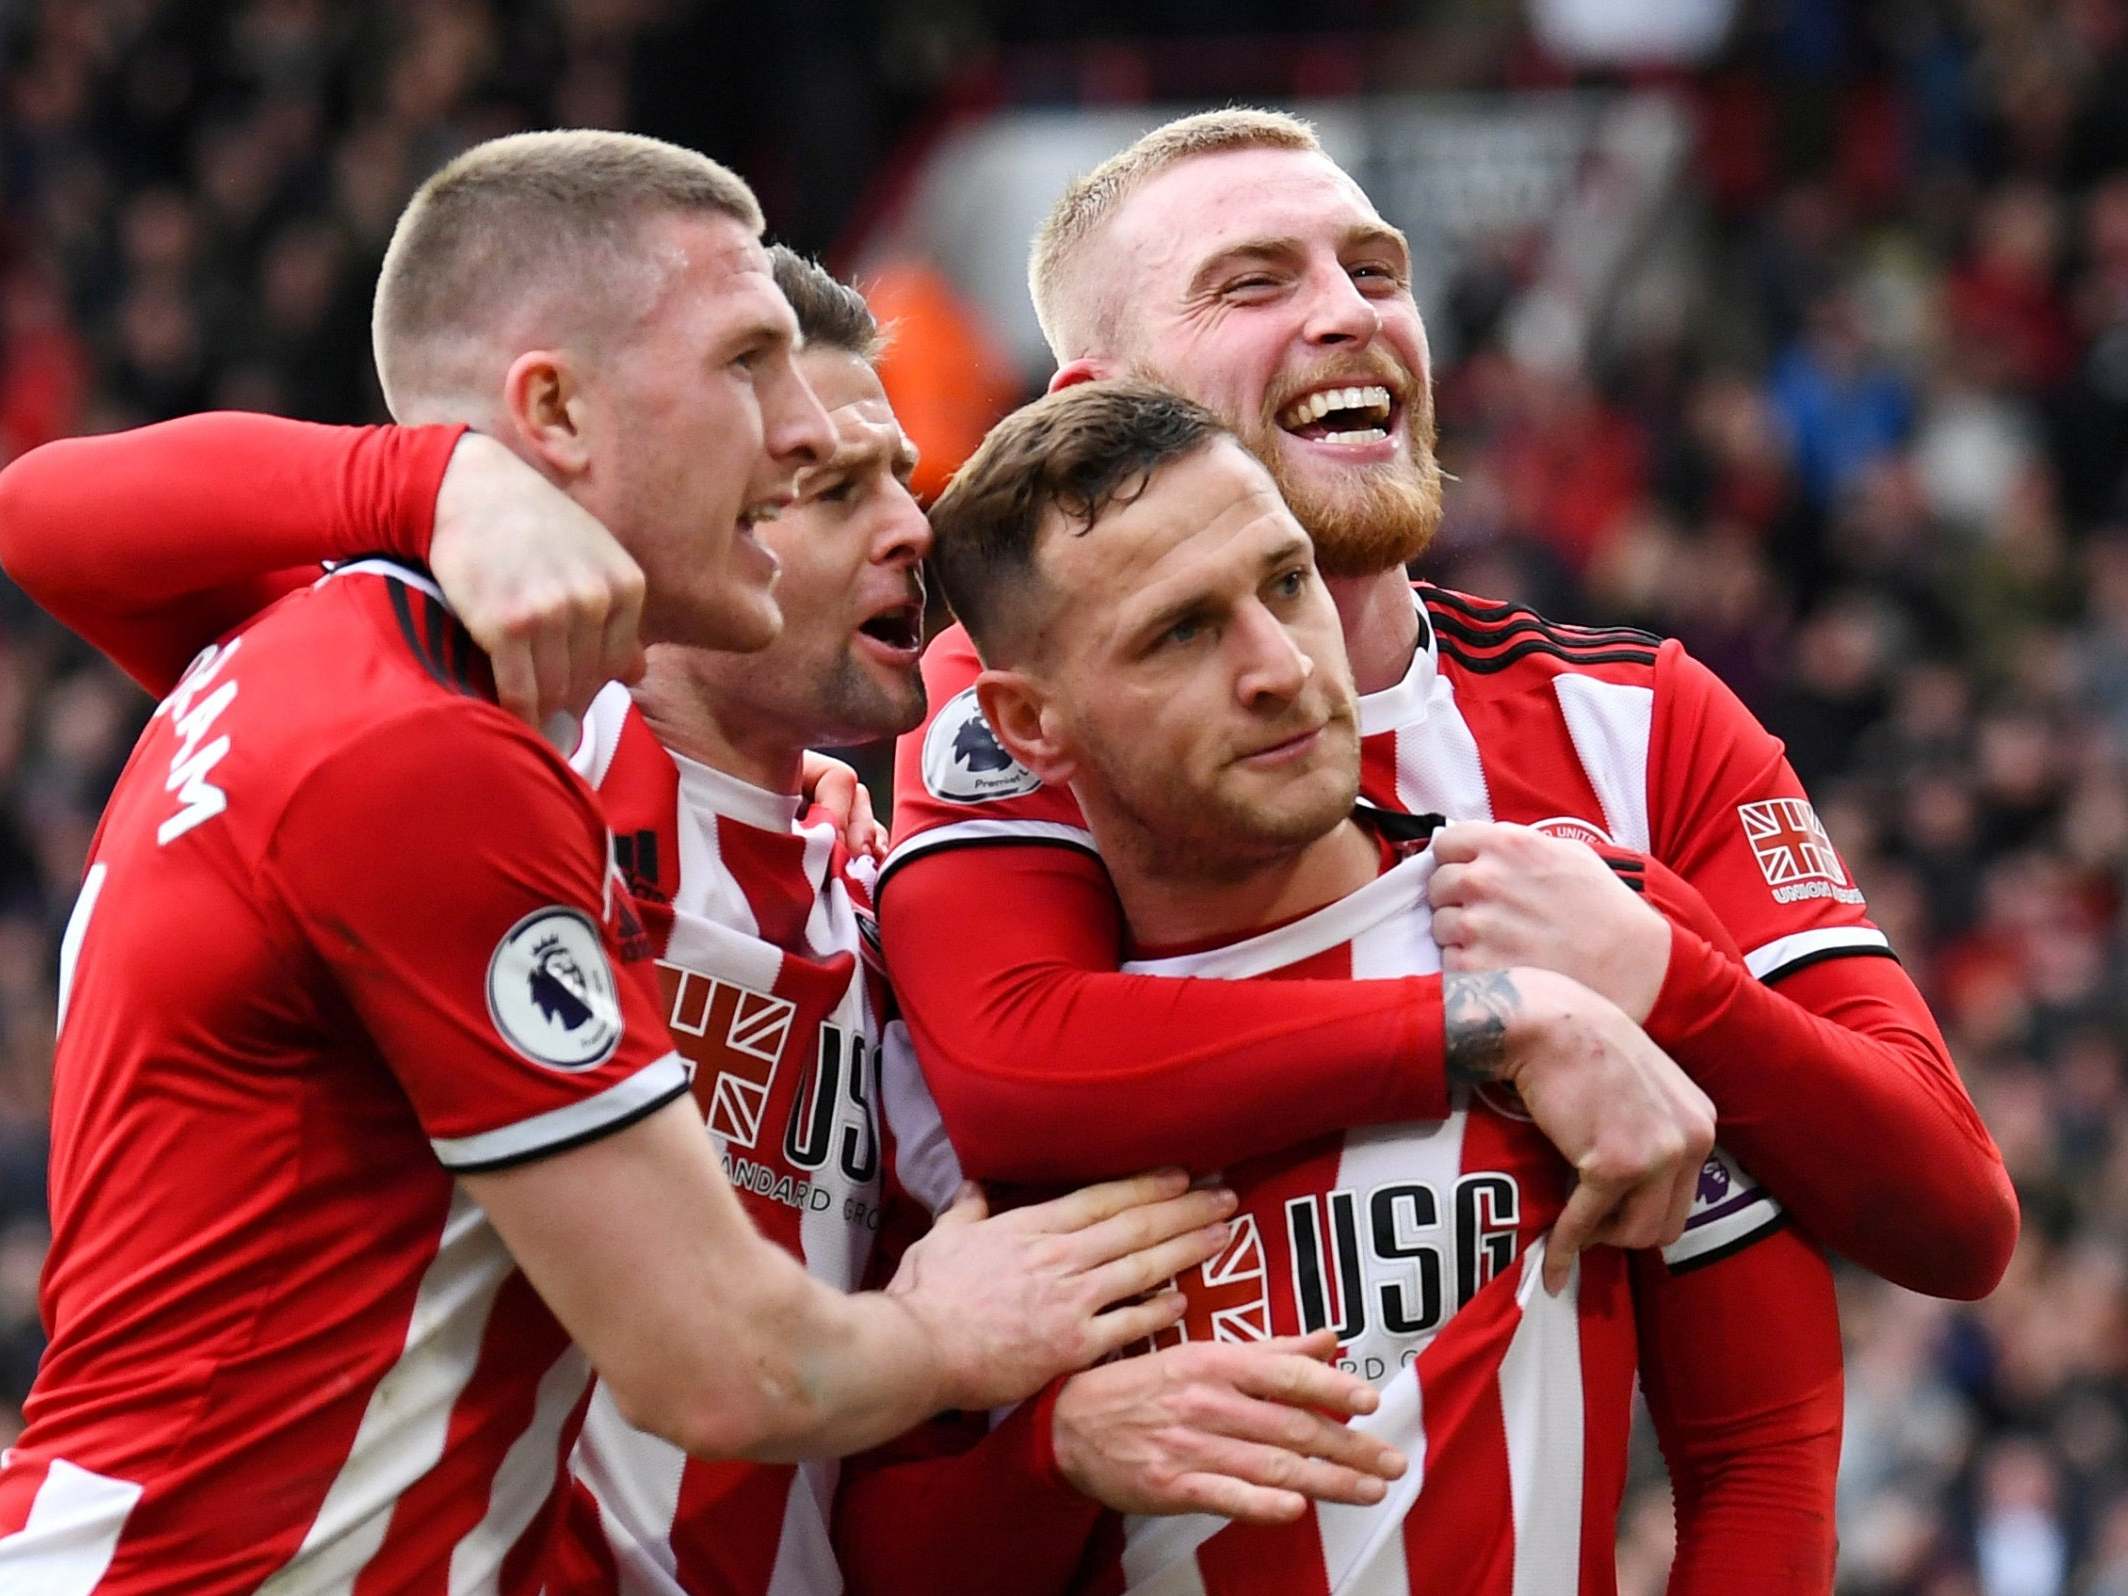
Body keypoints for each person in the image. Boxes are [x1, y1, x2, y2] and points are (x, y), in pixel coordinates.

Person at [0, 246, 1402, 1593]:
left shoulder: (877, 912)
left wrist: (1047, 1442)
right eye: (834, 486)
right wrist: (438, 484)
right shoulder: (493, 763)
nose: (911, 528)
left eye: (901, 480)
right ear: (690, 504)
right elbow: (50, 519)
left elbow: (901, 1445)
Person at [878, 107, 2018, 1300]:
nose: (1349, 311)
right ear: (1102, 406)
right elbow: (1009, 1068)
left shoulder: (1641, 720)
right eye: (1252, 285)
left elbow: (1953, 1215)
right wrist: (1500, 1019)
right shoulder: (1013, 702)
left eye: (1374, 271)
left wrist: (1668, 982)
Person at [839, 379, 1843, 1596]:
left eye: (1285, 582)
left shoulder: (1580, 931)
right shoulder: (947, 1060)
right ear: (1027, 726)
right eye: (1180, 632)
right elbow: (881, 1564)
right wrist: (1057, 1461)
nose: (1276, 667)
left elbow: (1766, 1450)